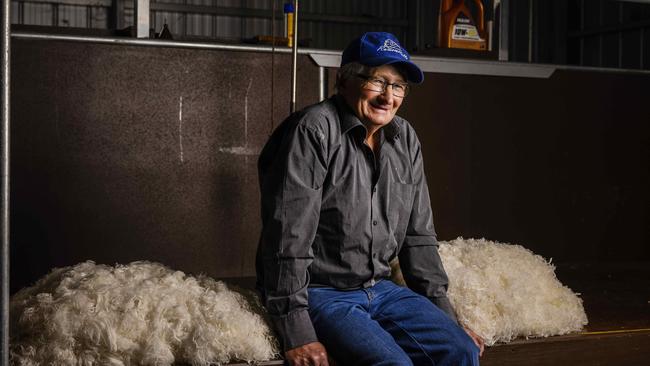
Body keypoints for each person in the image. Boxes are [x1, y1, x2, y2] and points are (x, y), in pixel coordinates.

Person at [256, 32, 484, 366]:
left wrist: (445, 316)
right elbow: (286, 236)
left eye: (398, 86)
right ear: (344, 79)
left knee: (460, 350)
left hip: (382, 288)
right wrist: (296, 330)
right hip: (323, 291)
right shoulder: (312, 131)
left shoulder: (404, 138)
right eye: (377, 81)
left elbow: (418, 235)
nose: (388, 97)